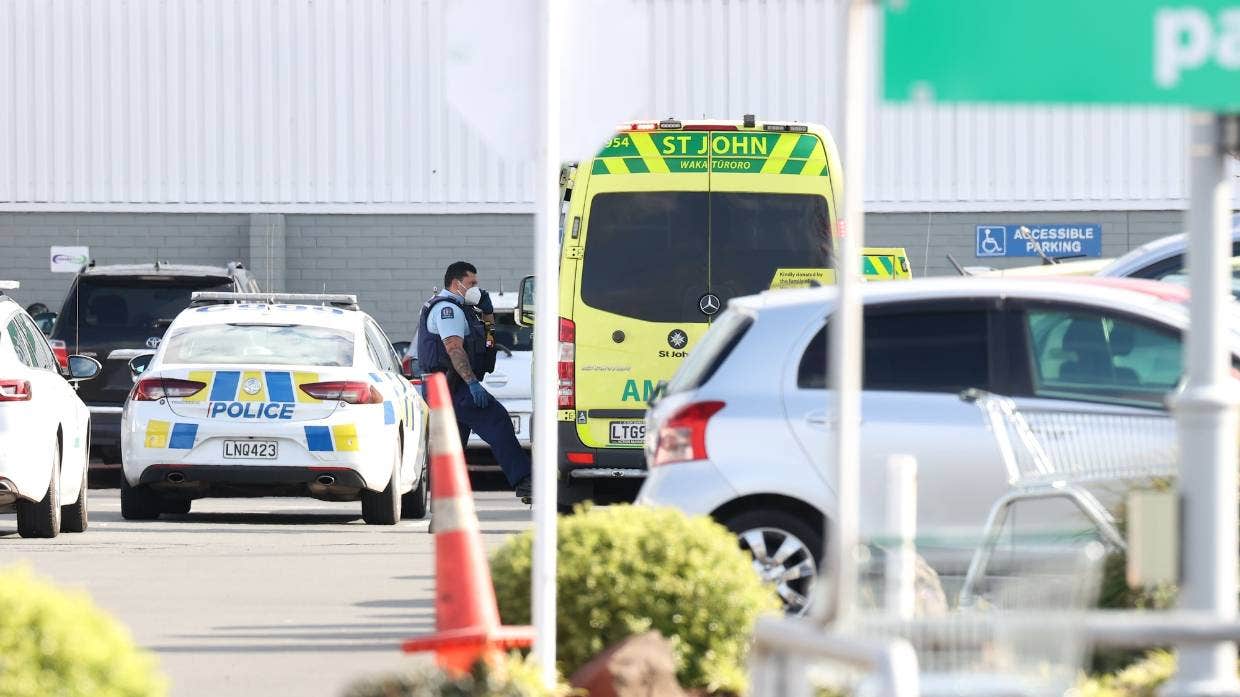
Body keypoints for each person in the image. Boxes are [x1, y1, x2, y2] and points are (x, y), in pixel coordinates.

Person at [416, 261, 532, 501]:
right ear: (456, 283)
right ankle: (525, 481)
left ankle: (445, 507)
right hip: (454, 386)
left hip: (448, 388)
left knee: (452, 448)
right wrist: (471, 383)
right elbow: (454, 349)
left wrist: (488, 313)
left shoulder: (463, 308)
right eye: (471, 283)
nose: (475, 288)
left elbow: (487, 339)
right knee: (498, 420)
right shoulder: (447, 310)